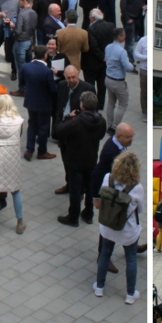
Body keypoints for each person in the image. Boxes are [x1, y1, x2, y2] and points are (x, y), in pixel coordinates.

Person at [94, 152, 144, 304]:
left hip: (107, 225)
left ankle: (99, 287)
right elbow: (139, 209)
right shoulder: (137, 187)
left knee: (105, 254)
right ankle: (130, 294)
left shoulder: (108, 178)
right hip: (127, 230)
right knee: (131, 259)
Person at [53, 91, 106, 227]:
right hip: (91, 159)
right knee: (89, 187)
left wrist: (67, 118)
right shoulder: (101, 121)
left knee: (75, 189)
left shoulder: (76, 122)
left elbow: (59, 130)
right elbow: (100, 136)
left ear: (82, 106)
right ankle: (88, 214)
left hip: (75, 159)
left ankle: (73, 216)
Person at [91, 123, 134, 275]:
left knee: (122, 222)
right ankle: (103, 256)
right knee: (110, 224)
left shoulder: (116, 144)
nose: (132, 140)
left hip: (116, 194)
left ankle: (131, 246)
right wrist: (96, 197)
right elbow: (98, 173)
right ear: (119, 136)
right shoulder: (111, 152)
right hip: (110, 196)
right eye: (129, 137)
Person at [21, 45, 57, 160]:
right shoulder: (47, 71)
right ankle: (42, 151)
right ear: (45, 56)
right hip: (44, 104)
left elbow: (22, 82)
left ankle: (29, 150)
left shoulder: (26, 66)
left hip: (30, 101)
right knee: (43, 128)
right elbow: (53, 89)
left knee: (32, 125)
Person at [104, 28, 133, 134]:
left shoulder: (108, 47)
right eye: (124, 35)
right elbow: (127, 67)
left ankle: (109, 124)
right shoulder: (122, 51)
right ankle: (115, 127)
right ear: (120, 37)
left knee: (111, 103)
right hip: (118, 81)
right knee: (123, 104)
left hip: (108, 78)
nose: (125, 37)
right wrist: (131, 65)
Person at [12, 0, 37, 93]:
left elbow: (18, 31)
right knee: (28, 65)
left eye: (20, 1)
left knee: (21, 67)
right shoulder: (33, 13)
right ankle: (29, 86)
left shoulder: (22, 14)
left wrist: (12, 27)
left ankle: (22, 89)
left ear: (24, 1)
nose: (19, 3)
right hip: (30, 41)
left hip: (21, 42)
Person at [119, 0, 145, 64]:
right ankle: (129, 61)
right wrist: (127, 19)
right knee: (129, 42)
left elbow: (142, 1)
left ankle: (128, 58)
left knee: (133, 39)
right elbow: (123, 5)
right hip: (129, 18)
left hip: (137, 18)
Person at [134, 34, 147, 122]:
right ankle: (145, 112)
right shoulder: (143, 40)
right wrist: (146, 57)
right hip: (145, 70)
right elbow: (136, 53)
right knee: (144, 92)